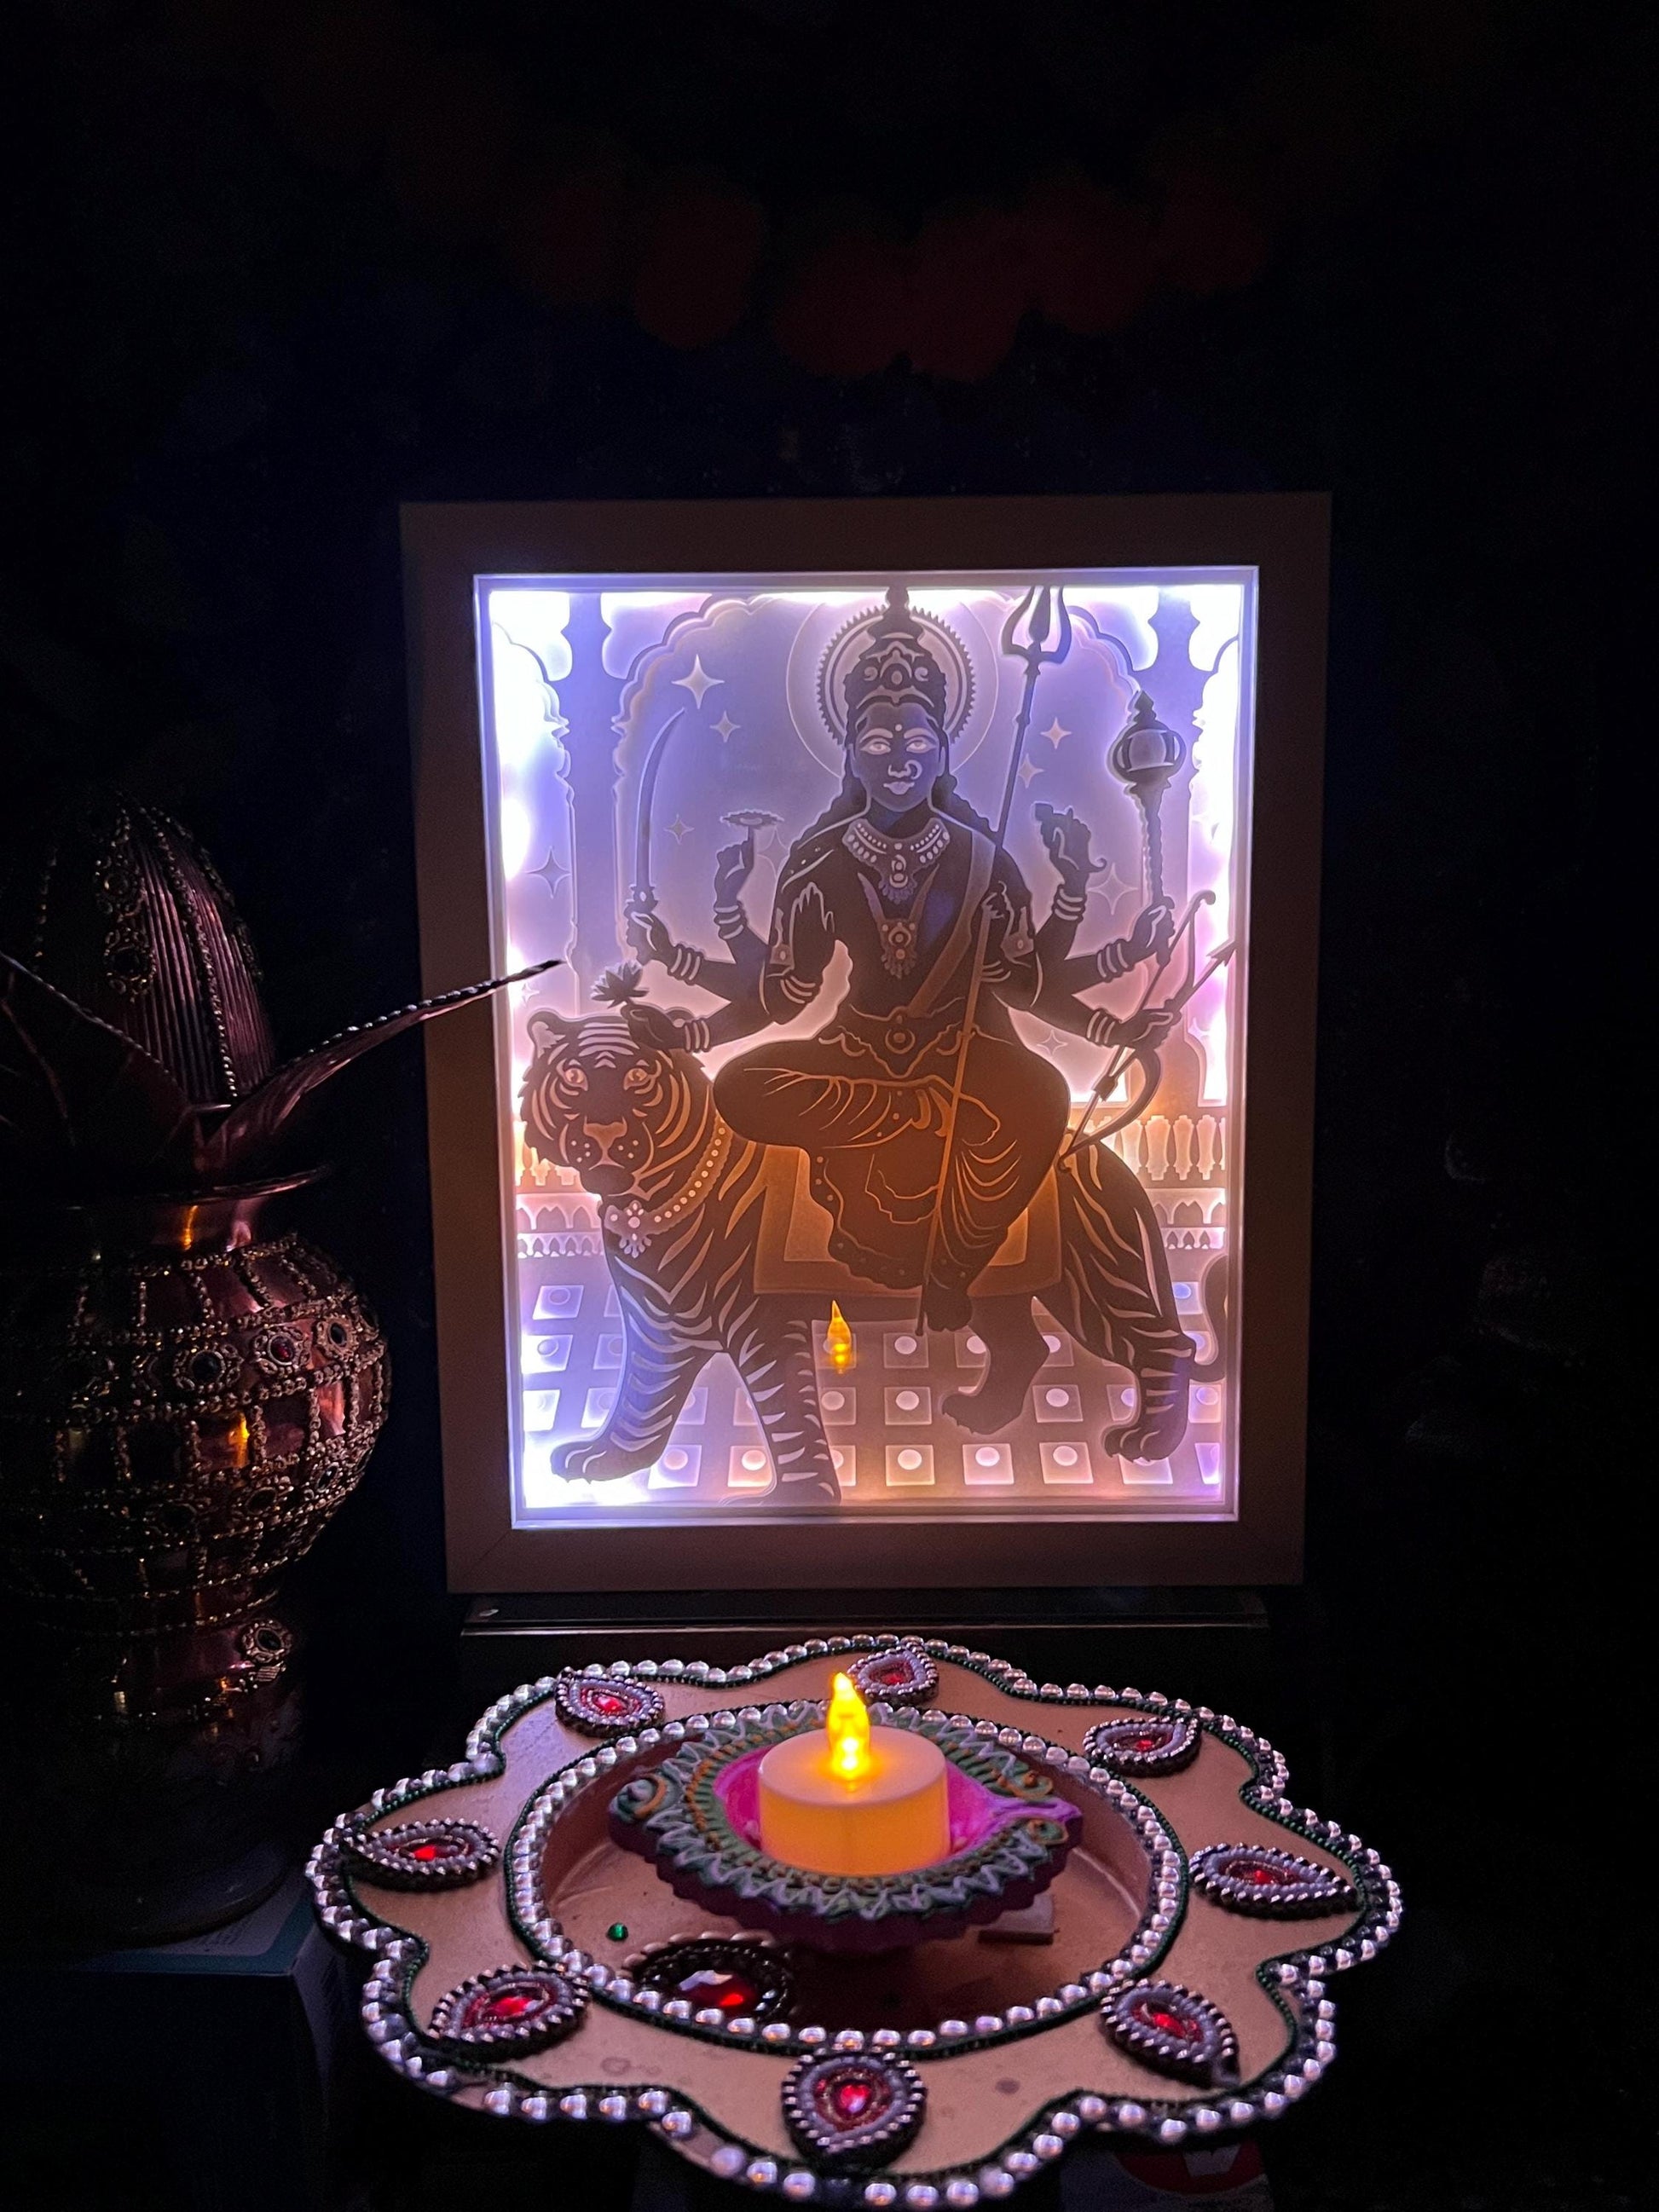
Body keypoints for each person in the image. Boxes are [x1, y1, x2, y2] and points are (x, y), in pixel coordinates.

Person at [628, 586, 1172, 1331]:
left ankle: (953, 1265)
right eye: (878, 744)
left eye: (917, 744)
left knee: (1044, 1096)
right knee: (739, 1089)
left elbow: (1024, 986)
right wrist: (693, 1034)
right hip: (856, 1060)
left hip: (962, 1056)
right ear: (851, 755)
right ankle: (912, 1112)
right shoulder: (818, 864)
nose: (898, 760)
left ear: (943, 752)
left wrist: (1114, 1029)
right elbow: (782, 996)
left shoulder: (982, 861)